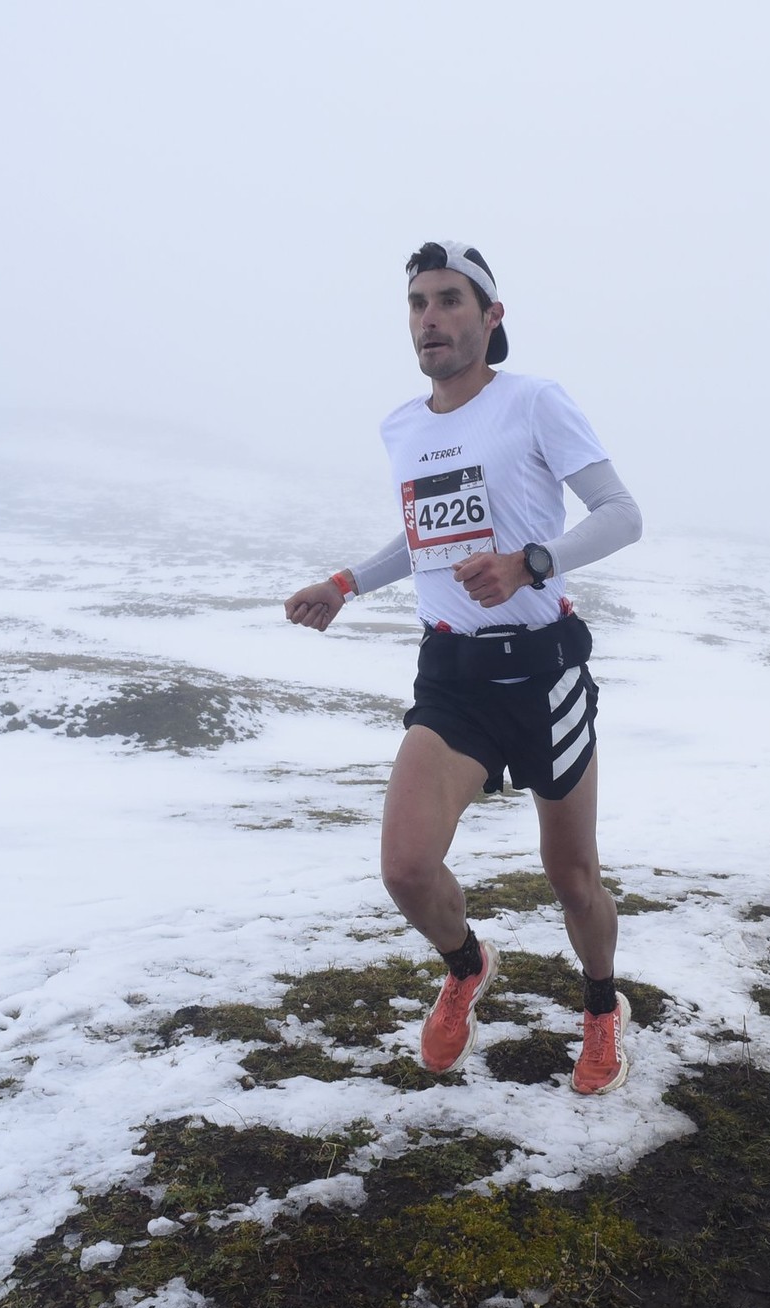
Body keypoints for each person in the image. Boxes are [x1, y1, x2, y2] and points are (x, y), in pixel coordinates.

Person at [283, 241, 644, 1096]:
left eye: (449, 300)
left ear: (491, 317)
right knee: (406, 868)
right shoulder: (404, 427)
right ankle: (468, 962)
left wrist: (533, 562)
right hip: (452, 674)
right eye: (417, 303)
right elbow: (427, 537)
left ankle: (600, 1004)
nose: (430, 318)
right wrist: (346, 582)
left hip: (545, 672)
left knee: (572, 876)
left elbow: (623, 515)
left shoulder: (534, 403)